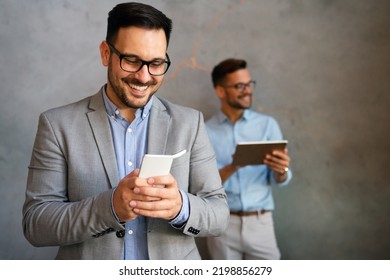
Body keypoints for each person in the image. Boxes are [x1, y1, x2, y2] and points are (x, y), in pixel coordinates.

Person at [22, 2, 229, 260]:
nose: (144, 77)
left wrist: (180, 206)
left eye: (156, 63)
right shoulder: (57, 125)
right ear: (106, 53)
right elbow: (36, 224)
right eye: (131, 60)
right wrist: (109, 208)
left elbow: (219, 215)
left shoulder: (190, 123)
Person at [205, 58, 292, 260]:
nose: (248, 90)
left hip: (261, 223)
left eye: (249, 84)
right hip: (222, 224)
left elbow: (281, 179)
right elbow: (203, 186)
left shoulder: (268, 125)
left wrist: (282, 170)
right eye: (239, 86)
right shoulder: (204, 131)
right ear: (220, 91)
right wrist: (233, 166)